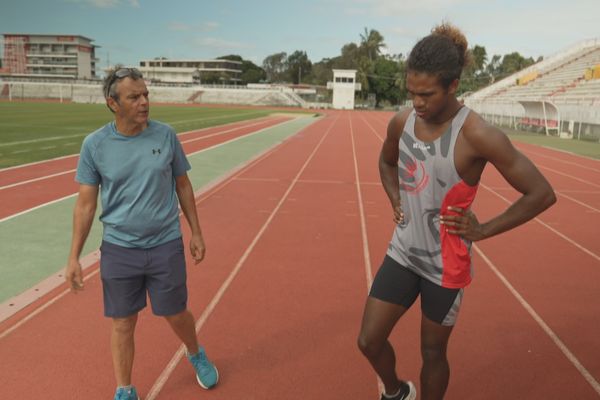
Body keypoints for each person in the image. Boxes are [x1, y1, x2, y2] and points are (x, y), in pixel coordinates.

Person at [357, 23, 556, 400]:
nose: (417, 103)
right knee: (368, 341)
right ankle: (397, 392)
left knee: (432, 352)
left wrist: (484, 230)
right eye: (411, 92)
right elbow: (385, 163)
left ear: (452, 86)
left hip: (445, 266)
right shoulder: (402, 121)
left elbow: (541, 193)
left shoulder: (477, 135)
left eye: (426, 94)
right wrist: (395, 198)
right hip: (403, 252)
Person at [65, 66, 218, 400]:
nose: (144, 102)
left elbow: (183, 185)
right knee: (122, 322)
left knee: (175, 312)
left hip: (164, 244)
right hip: (119, 250)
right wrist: (74, 256)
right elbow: (86, 205)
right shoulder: (95, 145)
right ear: (113, 103)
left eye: (146, 94)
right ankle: (124, 389)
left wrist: (196, 232)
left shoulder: (166, 136)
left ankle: (195, 352)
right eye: (134, 97)